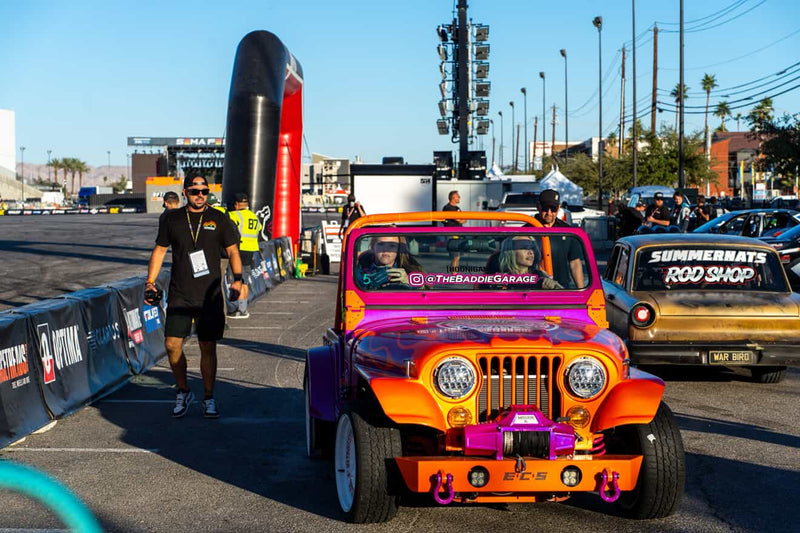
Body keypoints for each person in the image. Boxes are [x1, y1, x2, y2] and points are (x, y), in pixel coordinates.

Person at [144, 175, 242, 419]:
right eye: (195, 190)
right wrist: (150, 282)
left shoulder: (219, 218)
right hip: (179, 293)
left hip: (209, 296)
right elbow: (159, 251)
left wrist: (238, 279)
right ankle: (183, 390)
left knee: (207, 346)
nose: (200, 195)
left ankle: (208, 397)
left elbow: (233, 251)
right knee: (171, 344)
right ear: (185, 191)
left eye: (204, 191)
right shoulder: (173, 219)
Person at [533, 189, 585, 289]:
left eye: (553, 209)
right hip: (532, 290)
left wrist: (581, 291)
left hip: (561, 289)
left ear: (559, 208)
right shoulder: (526, 230)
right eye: (545, 208)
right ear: (538, 207)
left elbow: (575, 263)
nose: (549, 212)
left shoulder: (568, 232)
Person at [227, 192, 262, 319]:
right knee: (245, 280)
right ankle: (244, 309)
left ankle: (238, 309)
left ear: (236, 204)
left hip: (238, 249)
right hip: (251, 250)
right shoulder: (254, 216)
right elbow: (259, 229)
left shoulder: (233, 215)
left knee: (237, 279)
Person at [489, 236, 562, 290]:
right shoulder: (498, 279)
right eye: (524, 247)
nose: (530, 252)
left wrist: (554, 288)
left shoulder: (542, 278)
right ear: (510, 253)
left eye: (532, 248)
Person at [356, 235, 422, 289]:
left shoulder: (413, 271)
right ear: (373, 247)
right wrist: (369, 287)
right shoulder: (357, 271)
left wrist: (410, 283)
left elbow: (426, 295)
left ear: (399, 249)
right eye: (381, 244)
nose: (386, 250)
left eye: (392, 245)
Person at [442, 191, 467, 270]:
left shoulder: (457, 208)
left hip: (459, 233)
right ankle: (453, 275)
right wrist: (461, 219)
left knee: (457, 256)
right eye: (457, 196)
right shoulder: (448, 208)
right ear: (453, 198)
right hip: (452, 234)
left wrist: (461, 219)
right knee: (455, 256)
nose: (459, 197)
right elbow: (458, 219)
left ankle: (455, 274)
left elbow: (463, 219)